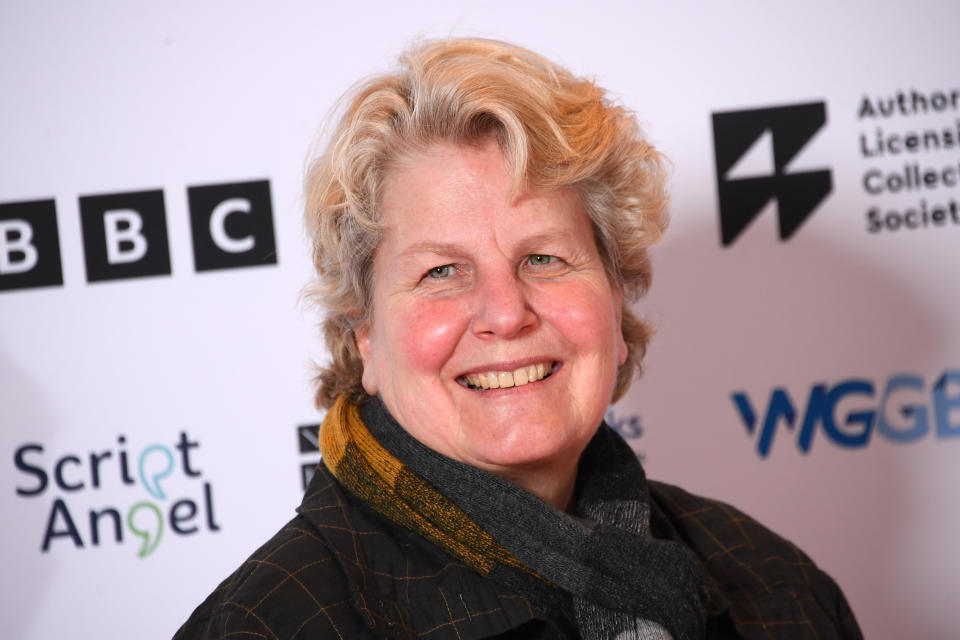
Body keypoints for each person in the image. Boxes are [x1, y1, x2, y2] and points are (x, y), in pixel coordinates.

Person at [174, 38, 861, 639]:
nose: (505, 313)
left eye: (544, 259)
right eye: (441, 272)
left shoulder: (775, 589)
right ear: (366, 340)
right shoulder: (269, 624)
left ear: (616, 304)